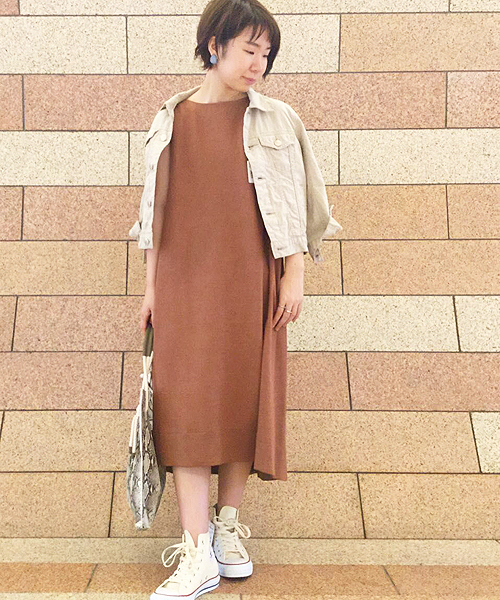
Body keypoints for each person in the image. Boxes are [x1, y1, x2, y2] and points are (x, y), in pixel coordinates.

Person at [135, 1, 324, 598]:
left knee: (244, 399)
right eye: (249, 49)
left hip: (252, 276)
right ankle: (197, 554)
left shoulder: (276, 119)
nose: (258, 63)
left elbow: (295, 202)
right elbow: (154, 215)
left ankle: (226, 527)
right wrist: (152, 287)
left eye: (266, 53)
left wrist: (293, 275)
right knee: (185, 406)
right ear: (214, 45)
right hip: (183, 279)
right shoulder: (171, 119)